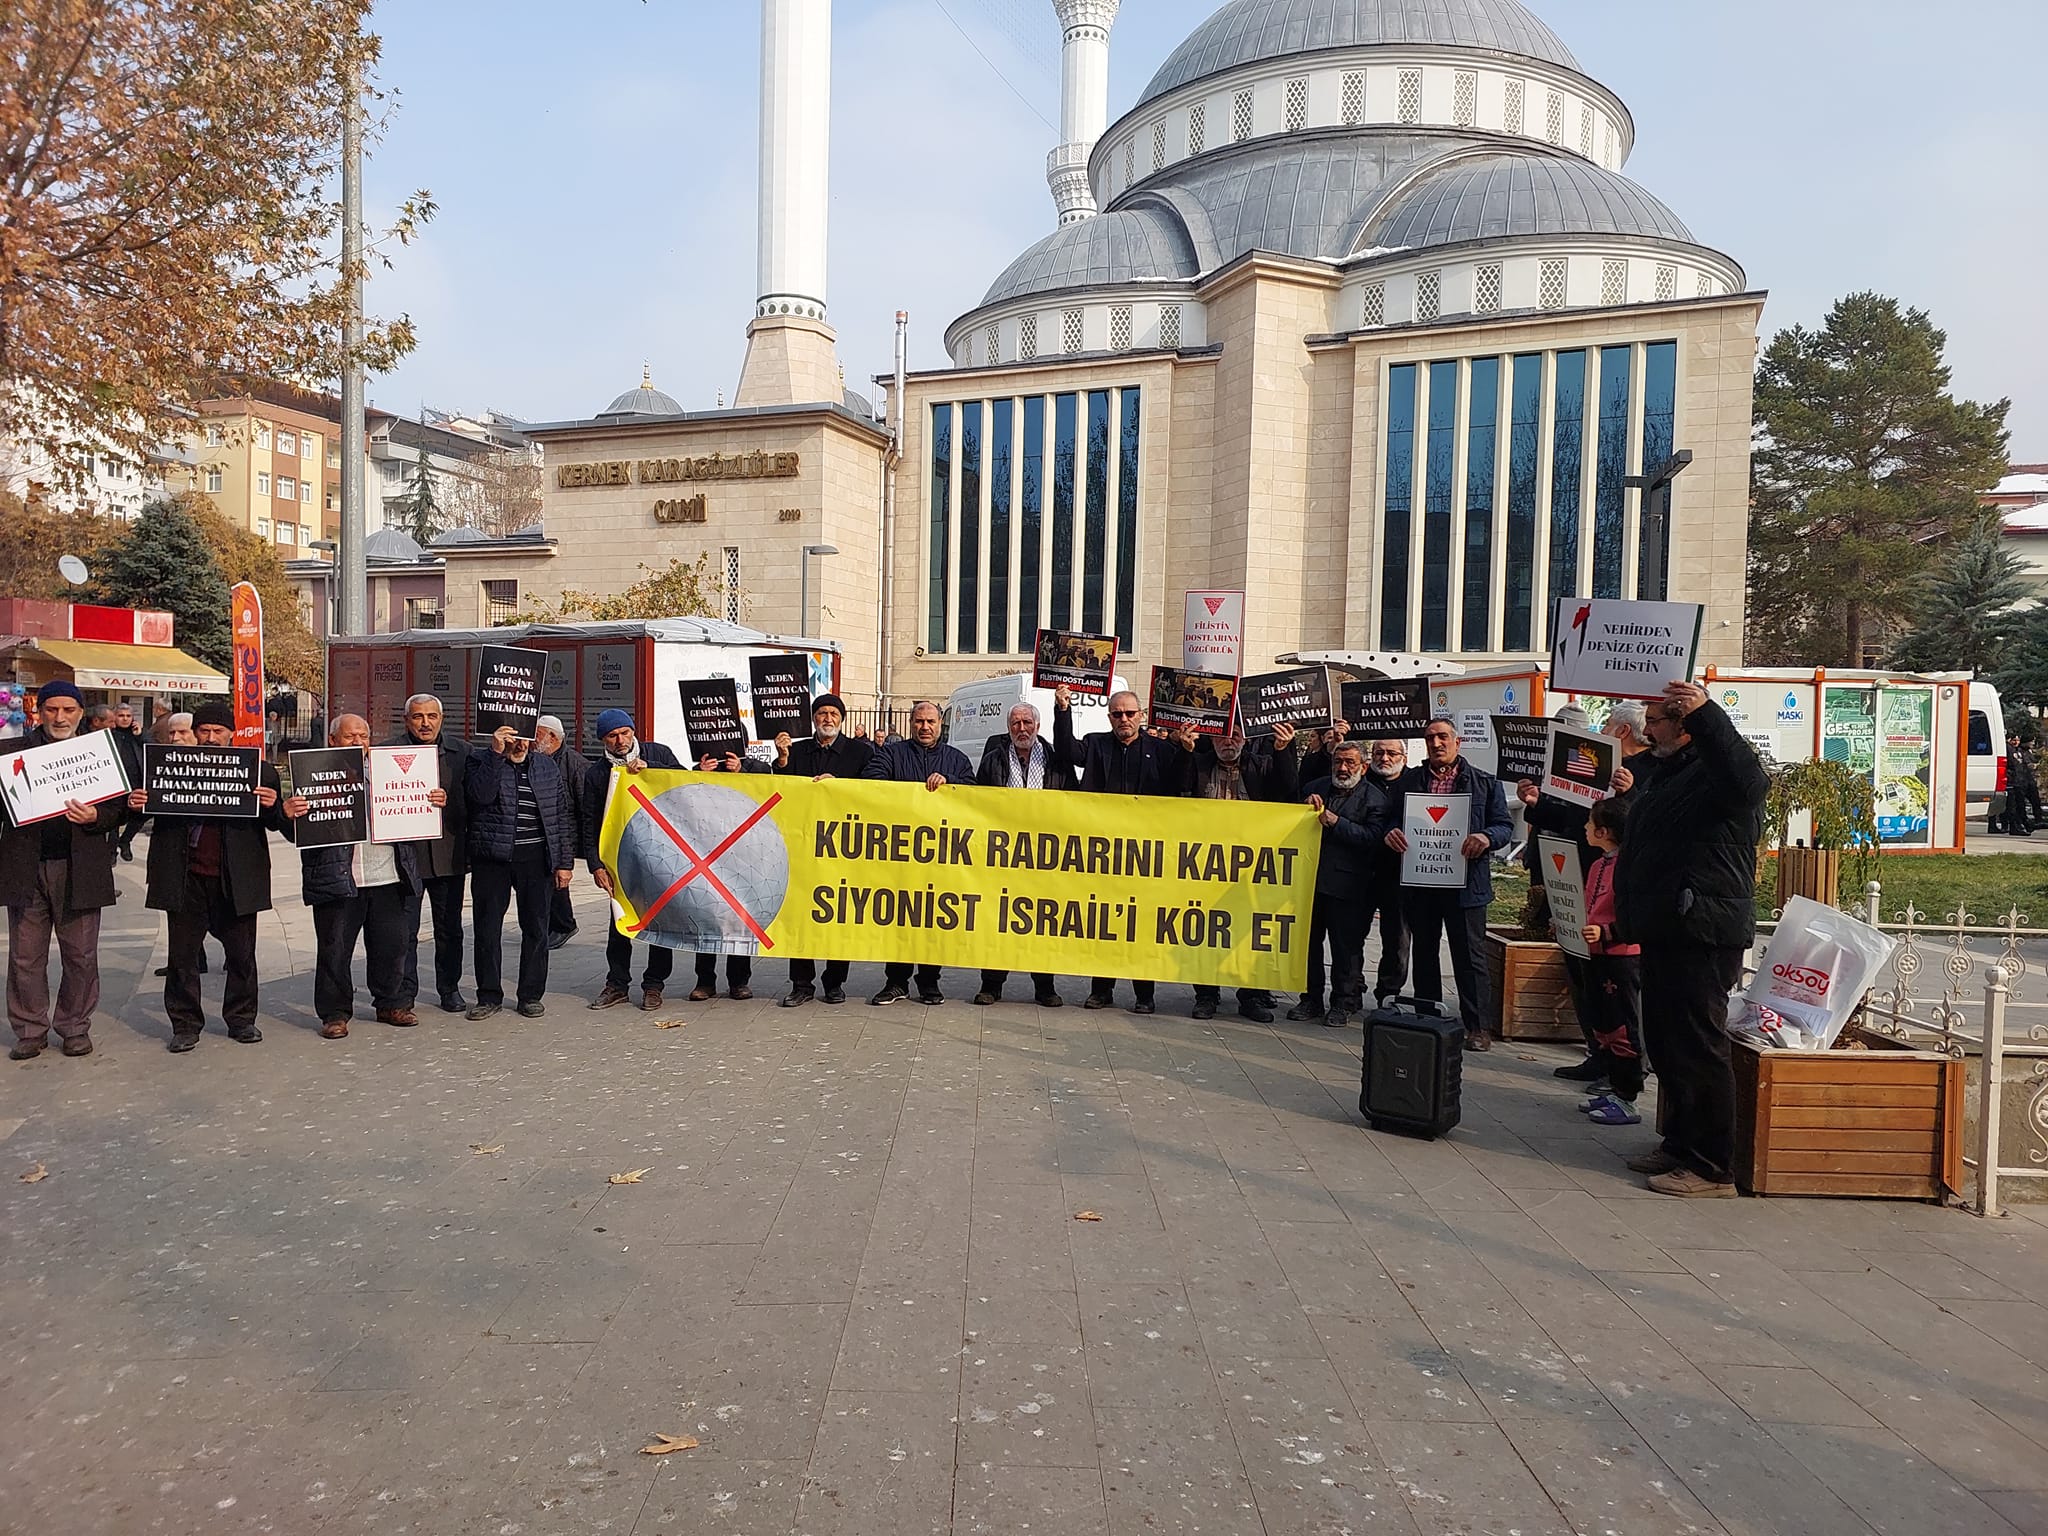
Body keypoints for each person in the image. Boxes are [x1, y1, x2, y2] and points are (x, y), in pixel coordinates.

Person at [1614, 681, 1768, 1197]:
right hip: (1666, 927)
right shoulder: (1669, 773)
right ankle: (1679, 1143)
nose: (1647, 728)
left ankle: (1711, 1165)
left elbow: (1748, 783)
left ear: (1684, 727)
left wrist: (1708, 714)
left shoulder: (1717, 771)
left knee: (1698, 1044)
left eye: (1656, 720)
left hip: (1701, 928)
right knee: (1668, 1041)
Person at [136, 699, 304, 1052]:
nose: (211, 737)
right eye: (204, 731)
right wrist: (137, 802)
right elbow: (136, 813)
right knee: (182, 957)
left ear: (232, 734)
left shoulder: (259, 771)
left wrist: (277, 808)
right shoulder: (169, 767)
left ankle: (242, 1020)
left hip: (236, 877)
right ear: (195, 733)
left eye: (218, 731)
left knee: (242, 955)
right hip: (185, 875)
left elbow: (280, 826)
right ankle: (185, 1025)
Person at [1053, 684, 1194, 1015]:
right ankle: (1101, 990)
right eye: (1117, 714)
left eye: (1130, 713)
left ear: (1141, 716)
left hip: (1144, 855)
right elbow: (1066, 751)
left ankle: (1144, 993)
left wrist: (1187, 751)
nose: (1124, 719)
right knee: (1105, 924)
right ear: (1110, 717)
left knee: (1141, 925)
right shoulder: (1096, 743)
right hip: (1103, 852)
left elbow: (1180, 788)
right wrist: (1062, 709)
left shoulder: (1160, 749)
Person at [2, 681, 125, 1060]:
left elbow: (121, 807)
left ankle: (74, 1026)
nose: (59, 717)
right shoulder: (11, 753)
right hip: (27, 866)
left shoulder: (100, 752)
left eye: (68, 710)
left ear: (79, 713)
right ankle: (29, 1029)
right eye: (51, 709)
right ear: (38, 712)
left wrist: (96, 816)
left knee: (81, 954)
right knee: (25, 955)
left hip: (80, 868)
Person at [1382, 717, 1513, 1051]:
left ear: (1458, 742)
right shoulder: (1409, 780)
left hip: (1466, 886)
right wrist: (1392, 831)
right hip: (1420, 881)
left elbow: (1503, 826)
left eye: (1442, 737)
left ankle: (1478, 1027)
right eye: (1429, 738)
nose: (1436, 744)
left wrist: (1485, 836)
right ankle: (1428, 1015)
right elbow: (1389, 817)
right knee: (1424, 951)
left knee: (1470, 957)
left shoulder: (1484, 783)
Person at [290, 714, 421, 1039]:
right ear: (333, 740)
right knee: (334, 950)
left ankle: (391, 1003)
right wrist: (288, 813)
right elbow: (297, 831)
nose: (359, 742)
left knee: (392, 946)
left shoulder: (386, 772)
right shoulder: (314, 775)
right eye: (350, 736)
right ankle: (335, 1014)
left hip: (388, 876)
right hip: (338, 878)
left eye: (364, 736)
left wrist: (430, 802)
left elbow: (414, 811)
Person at [861, 700, 975, 1005]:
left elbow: (974, 795)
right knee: (900, 919)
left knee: (932, 921)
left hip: (939, 857)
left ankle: (929, 983)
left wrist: (951, 784)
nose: (925, 727)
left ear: (940, 725)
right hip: (901, 855)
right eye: (919, 722)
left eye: (931, 722)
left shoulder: (957, 760)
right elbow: (872, 782)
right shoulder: (892, 754)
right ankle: (896, 982)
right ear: (912, 725)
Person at [465, 724, 576, 1020]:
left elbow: (560, 815)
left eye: (527, 737)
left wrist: (564, 862)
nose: (522, 743)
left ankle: (530, 995)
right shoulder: (481, 760)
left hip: (536, 857)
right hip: (493, 857)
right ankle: (488, 996)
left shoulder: (546, 766)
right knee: (487, 929)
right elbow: (480, 796)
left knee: (537, 928)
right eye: (515, 737)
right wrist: (496, 754)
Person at [1185, 726, 1295, 1022]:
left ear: (1246, 739)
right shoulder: (1198, 763)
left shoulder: (1262, 765)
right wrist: (1184, 749)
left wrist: (1284, 749)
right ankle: (1206, 995)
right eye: (1221, 735)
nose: (1228, 741)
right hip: (1205, 867)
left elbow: (1288, 791)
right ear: (1211, 737)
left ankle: (1250, 996)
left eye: (1235, 735)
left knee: (1252, 933)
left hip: (1253, 869)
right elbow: (1173, 791)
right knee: (1204, 931)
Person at [973, 702, 1076, 1008]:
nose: (1022, 728)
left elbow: (1073, 801)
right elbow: (978, 801)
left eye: (1027, 722)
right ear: (1008, 728)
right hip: (1003, 855)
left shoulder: (1057, 761)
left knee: (1041, 923)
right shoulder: (993, 760)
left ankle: (1045, 987)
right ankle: (991, 985)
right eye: (1015, 723)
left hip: (1044, 856)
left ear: (1038, 726)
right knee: (999, 920)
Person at [774, 693, 874, 1006]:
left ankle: (834, 982)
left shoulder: (860, 751)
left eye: (833, 713)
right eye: (821, 714)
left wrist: (840, 785)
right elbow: (778, 790)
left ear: (841, 719)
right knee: (801, 913)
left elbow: (874, 790)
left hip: (843, 847)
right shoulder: (798, 749)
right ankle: (801, 984)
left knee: (838, 913)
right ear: (813, 718)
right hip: (804, 845)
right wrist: (782, 759)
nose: (827, 719)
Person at [585, 707, 684, 1011]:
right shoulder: (597, 773)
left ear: (633, 731)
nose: (620, 740)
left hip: (659, 855)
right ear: (603, 740)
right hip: (619, 860)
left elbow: (683, 784)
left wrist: (651, 768)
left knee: (659, 923)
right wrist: (595, 865)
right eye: (612, 736)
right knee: (619, 924)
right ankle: (616, 984)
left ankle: (654, 984)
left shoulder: (658, 753)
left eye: (624, 733)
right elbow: (588, 821)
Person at [1295, 739, 1383, 1031]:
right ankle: (1310, 999)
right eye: (1338, 762)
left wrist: (1335, 821)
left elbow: (1372, 838)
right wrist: (1302, 811)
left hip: (1351, 887)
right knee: (1308, 945)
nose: (1342, 768)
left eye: (1350, 763)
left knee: (1346, 948)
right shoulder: (1313, 788)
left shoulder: (1375, 799)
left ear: (1364, 767)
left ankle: (1343, 1003)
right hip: (1309, 883)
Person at [387, 695, 465, 1013]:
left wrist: (451, 801)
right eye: (418, 717)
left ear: (441, 718)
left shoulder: (462, 753)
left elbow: (477, 800)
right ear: (407, 720)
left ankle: (450, 989)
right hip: (407, 859)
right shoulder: (387, 752)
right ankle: (405, 995)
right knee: (406, 932)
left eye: (432, 716)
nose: (425, 723)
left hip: (448, 857)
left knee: (450, 930)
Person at [1571, 796, 1645, 1127]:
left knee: (1622, 1026)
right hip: (1594, 955)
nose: (1585, 828)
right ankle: (1614, 1087)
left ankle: (1629, 1095)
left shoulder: (1630, 866)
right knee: (1601, 1022)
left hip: (1621, 958)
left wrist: (1605, 932)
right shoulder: (1600, 864)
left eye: (1589, 823)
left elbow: (1633, 915)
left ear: (1603, 831)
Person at [688, 748, 768, 1001]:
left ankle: (739, 981)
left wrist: (740, 773)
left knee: (739, 920)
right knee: (706, 917)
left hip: (742, 856)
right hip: (708, 853)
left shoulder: (756, 768)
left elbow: (766, 788)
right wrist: (701, 775)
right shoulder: (699, 769)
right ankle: (705, 981)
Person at [533, 716, 583, 949]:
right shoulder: (536, 760)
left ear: (553, 736)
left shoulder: (574, 763)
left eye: (537, 734)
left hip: (565, 832)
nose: (532, 740)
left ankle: (564, 924)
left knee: (558, 880)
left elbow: (584, 804)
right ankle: (551, 924)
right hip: (542, 832)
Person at [110, 704, 145, 862]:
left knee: (142, 813)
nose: (125, 719)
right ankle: (111, 852)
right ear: (115, 717)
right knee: (113, 819)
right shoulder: (110, 733)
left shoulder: (138, 734)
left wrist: (140, 735)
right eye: (121, 715)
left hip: (136, 781)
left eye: (128, 716)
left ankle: (125, 841)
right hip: (115, 781)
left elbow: (151, 748)